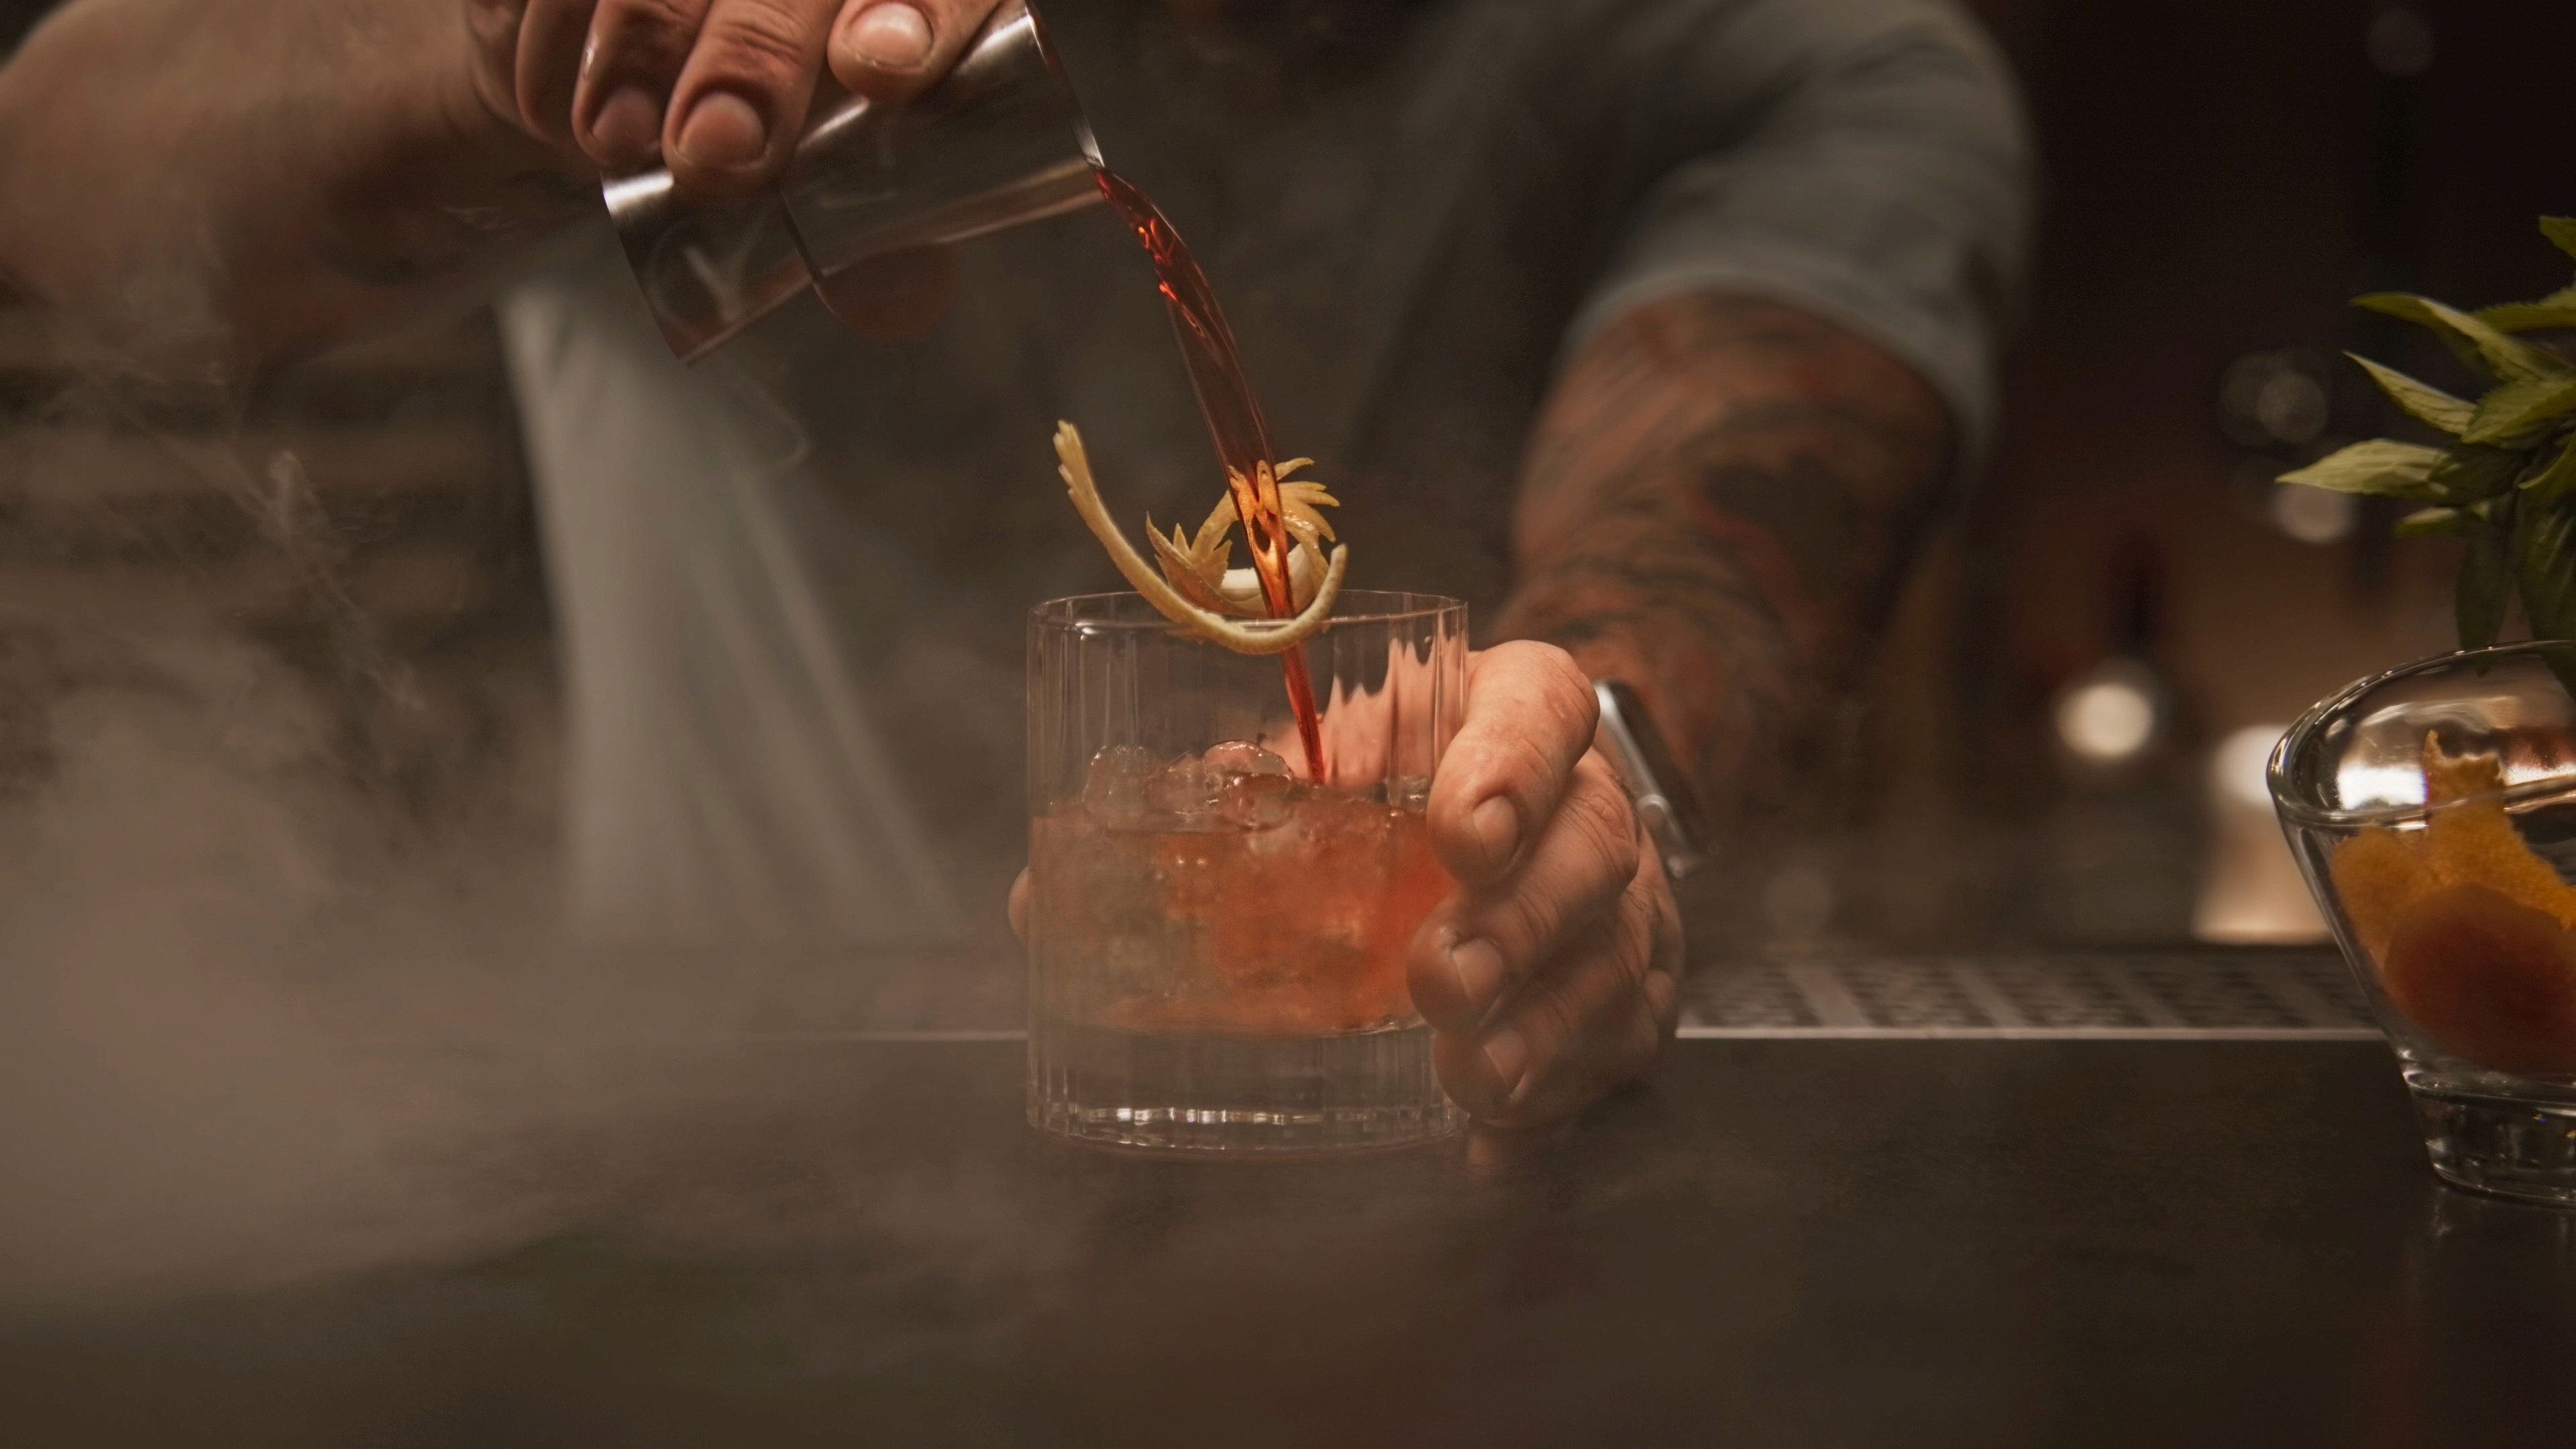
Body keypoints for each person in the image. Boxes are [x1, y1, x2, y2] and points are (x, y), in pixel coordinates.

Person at [0, 0, 2031, 1128]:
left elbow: (1697, 561)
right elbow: (53, 173)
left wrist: (1594, 797)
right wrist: (500, 53)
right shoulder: (812, 25)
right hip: (701, 1130)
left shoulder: (1806, 56)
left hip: (1409, 1136)